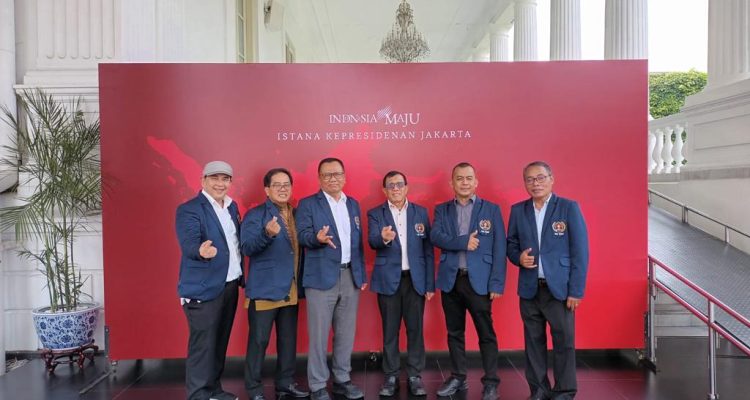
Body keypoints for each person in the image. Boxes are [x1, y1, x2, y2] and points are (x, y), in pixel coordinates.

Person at [506, 161, 589, 400]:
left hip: (560, 290)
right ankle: (539, 390)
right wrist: (518, 257)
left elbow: (580, 252)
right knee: (533, 342)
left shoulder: (568, 208)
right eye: (530, 179)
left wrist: (576, 291)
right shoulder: (518, 210)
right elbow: (511, 244)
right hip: (530, 289)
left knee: (564, 342)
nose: (536, 183)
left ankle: (564, 391)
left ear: (552, 179)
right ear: (525, 183)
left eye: (541, 178)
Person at [431, 162, 506, 400]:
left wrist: (496, 283)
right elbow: (436, 236)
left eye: (469, 178)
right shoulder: (442, 210)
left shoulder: (491, 209)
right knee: (454, 332)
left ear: (476, 182)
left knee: (486, 333)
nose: (464, 182)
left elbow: (499, 248)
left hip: (480, 282)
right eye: (459, 178)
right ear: (452, 183)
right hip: (451, 280)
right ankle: (458, 376)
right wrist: (463, 242)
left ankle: (491, 382)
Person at [296, 157, 368, 400]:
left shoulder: (353, 204)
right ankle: (317, 385)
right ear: (319, 179)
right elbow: (302, 235)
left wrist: (360, 274)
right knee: (318, 335)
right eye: (327, 175)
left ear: (344, 177)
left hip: (350, 275)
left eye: (337, 174)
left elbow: (357, 242)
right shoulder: (308, 204)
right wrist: (316, 239)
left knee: (346, 333)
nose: (332, 178)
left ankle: (342, 379)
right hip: (320, 277)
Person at [175, 161, 243, 400]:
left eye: (225, 179)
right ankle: (198, 395)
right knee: (202, 346)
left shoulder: (232, 207)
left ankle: (213, 390)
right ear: (203, 180)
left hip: (230, 284)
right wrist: (200, 251)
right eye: (214, 178)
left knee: (219, 342)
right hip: (203, 288)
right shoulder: (190, 209)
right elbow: (189, 243)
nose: (220, 184)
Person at [240, 168, 309, 400]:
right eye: (277, 185)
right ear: (267, 190)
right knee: (259, 342)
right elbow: (247, 247)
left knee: (288, 341)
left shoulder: (298, 214)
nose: (282, 189)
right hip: (264, 289)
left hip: (291, 288)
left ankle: (285, 384)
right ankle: (254, 389)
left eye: (286, 184)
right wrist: (267, 235)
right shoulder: (256, 215)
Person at [366, 171, 435, 397]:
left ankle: (415, 375)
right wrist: (383, 238)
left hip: (415, 281)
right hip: (388, 281)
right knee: (390, 331)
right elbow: (372, 240)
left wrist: (429, 284)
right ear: (384, 190)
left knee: (415, 330)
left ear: (406, 187)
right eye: (390, 185)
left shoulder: (420, 212)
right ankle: (391, 375)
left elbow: (427, 250)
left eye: (399, 184)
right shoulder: (376, 213)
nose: (395, 188)